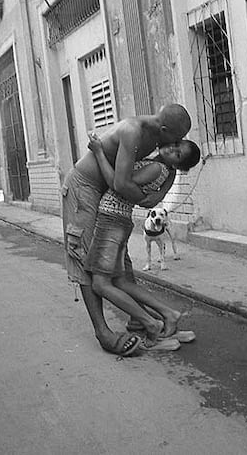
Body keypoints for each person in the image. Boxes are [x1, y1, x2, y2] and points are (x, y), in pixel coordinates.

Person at [61, 104, 192, 356]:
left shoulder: (160, 141)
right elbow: (121, 185)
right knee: (87, 259)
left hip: (109, 202)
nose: (178, 143)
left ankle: (139, 321)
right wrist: (144, 198)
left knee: (120, 266)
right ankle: (103, 332)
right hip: (84, 188)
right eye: (176, 139)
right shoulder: (133, 131)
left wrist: (147, 197)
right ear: (164, 129)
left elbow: (136, 189)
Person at [84, 135, 201, 351]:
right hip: (119, 220)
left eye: (177, 153)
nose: (171, 148)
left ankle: (152, 323)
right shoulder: (165, 170)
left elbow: (117, 183)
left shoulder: (156, 168)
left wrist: (99, 152)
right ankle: (168, 314)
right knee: (121, 282)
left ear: (177, 164)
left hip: (111, 218)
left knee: (100, 284)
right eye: (175, 144)